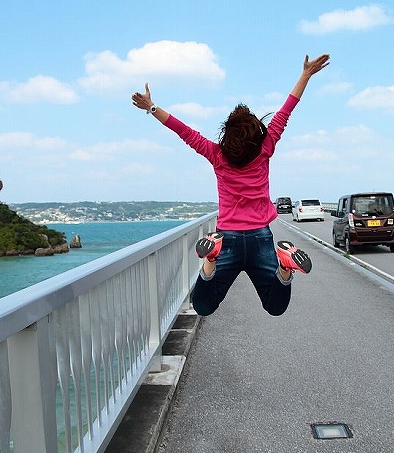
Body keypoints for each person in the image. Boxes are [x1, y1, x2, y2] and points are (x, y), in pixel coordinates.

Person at [131, 53, 330, 316]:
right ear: (255, 131)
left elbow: (183, 131)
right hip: (261, 237)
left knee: (203, 306)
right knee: (275, 306)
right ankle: (285, 266)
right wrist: (305, 75)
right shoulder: (265, 147)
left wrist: (152, 107)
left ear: (228, 133)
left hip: (227, 239)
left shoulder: (216, 154)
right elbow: (286, 110)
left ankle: (210, 261)